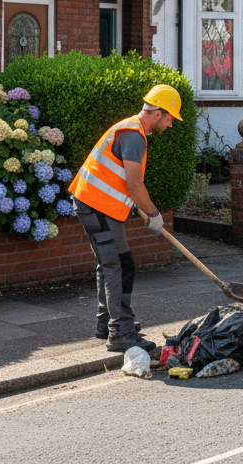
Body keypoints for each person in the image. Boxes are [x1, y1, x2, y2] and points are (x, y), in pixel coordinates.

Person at [68, 84, 181, 353]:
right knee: (117, 264)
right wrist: (154, 214)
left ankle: (107, 322)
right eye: (170, 118)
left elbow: (122, 181)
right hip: (96, 206)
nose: (171, 124)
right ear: (158, 113)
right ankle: (120, 331)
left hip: (94, 203)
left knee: (113, 263)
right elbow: (134, 184)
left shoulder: (131, 129)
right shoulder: (133, 136)